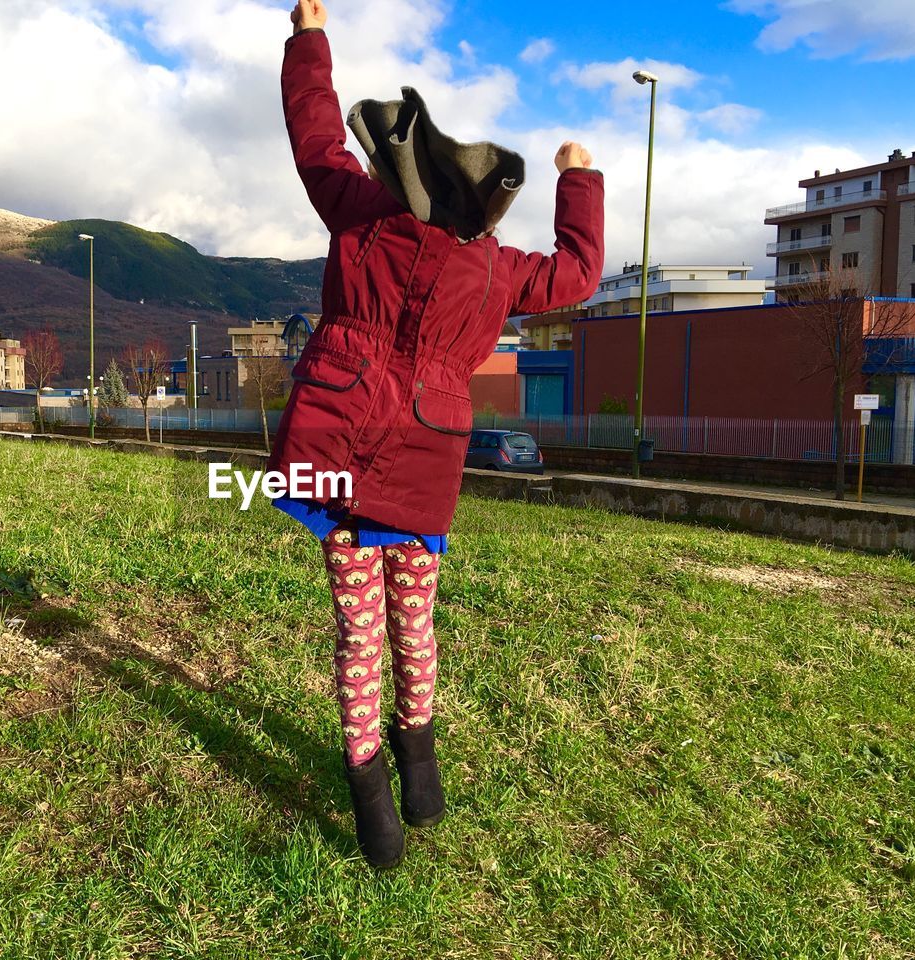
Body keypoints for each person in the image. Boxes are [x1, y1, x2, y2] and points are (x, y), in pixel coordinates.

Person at [270, 0, 605, 868]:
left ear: (403, 169)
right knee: (413, 622)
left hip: (340, 451)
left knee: (357, 629)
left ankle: (375, 812)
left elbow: (314, 139)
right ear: (488, 204)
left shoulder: (360, 216)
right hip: (423, 466)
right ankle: (421, 778)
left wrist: (311, 39)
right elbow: (579, 273)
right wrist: (579, 178)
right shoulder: (498, 270)